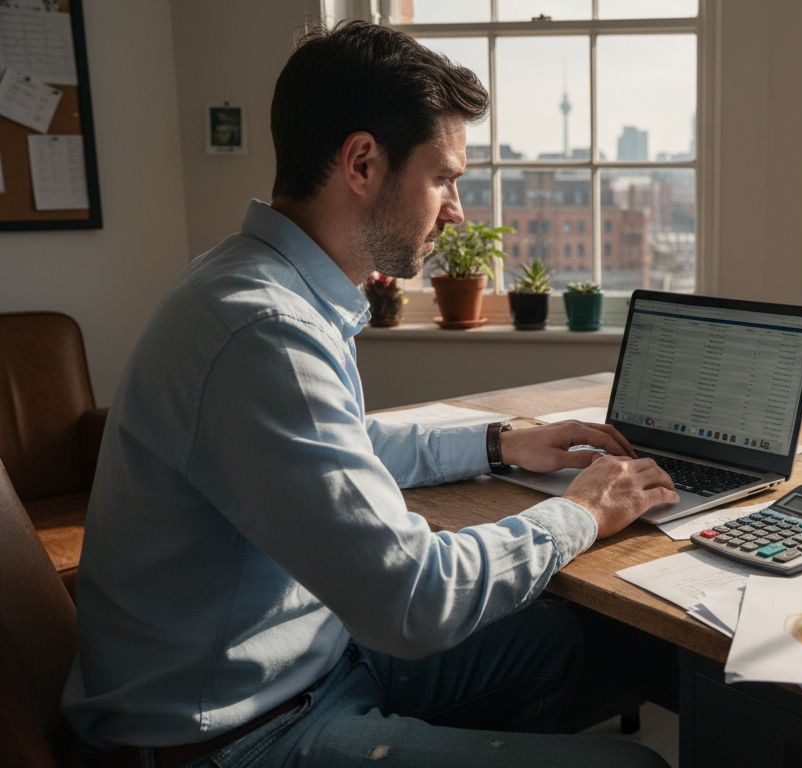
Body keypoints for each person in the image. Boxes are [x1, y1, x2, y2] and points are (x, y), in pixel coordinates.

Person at [63, 20, 677, 768]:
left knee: (550, 644)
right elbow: (415, 601)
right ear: (361, 163)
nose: (456, 209)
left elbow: (341, 447)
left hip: (307, 664)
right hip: (230, 735)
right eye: (443, 177)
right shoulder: (263, 332)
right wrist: (581, 511)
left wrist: (499, 443)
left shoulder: (254, 284)